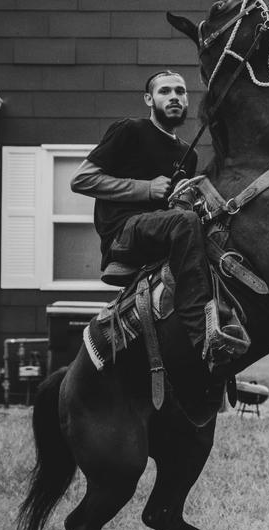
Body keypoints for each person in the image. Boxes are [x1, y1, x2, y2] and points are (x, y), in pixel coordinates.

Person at [71, 70, 223, 362]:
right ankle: (201, 329)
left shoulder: (186, 155)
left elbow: (174, 213)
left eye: (180, 91)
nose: (174, 97)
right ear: (149, 99)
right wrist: (146, 188)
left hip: (160, 235)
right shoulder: (129, 130)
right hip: (124, 234)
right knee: (185, 222)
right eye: (165, 91)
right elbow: (81, 180)